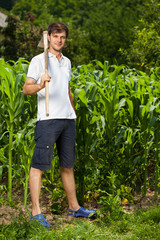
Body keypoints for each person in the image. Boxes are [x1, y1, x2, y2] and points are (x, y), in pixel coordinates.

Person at [23, 22, 96, 228]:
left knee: (67, 166)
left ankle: (74, 208)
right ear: (49, 38)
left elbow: (68, 90)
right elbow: (26, 89)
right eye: (56, 36)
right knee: (38, 166)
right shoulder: (39, 61)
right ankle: (35, 212)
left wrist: (72, 114)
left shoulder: (67, 62)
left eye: (62, 36)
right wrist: (40, 83)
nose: (59, 40)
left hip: (67, 120)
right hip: (47, 119)